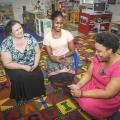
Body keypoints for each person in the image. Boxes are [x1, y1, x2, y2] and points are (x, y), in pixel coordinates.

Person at [68, 32, 120, 119]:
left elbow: (108, 93)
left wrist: (81, 94)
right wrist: (78, 86)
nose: (95, 53)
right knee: (74, 90)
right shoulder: (99, 56)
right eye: (95, 50)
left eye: (99, 51)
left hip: (107, 95)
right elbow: (89, 73)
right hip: (94, 85)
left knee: (86, 104)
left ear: (110, 51)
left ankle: (102, 116)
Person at [0, 20, 45, 103]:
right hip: (14, 65)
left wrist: (35, 64)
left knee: (38, 74)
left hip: (31, 63)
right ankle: (23, 96)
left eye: (20, 28)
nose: (20, 31)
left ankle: (35, 92)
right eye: (16, 30)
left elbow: (38, 52)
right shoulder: (6, 43)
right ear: (11, 33)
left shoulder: (29, 37)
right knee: (21, 76)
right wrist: (23, 66)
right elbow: (7, 63)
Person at [43, 11, 75, 90]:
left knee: (67, 77)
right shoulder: (47, 36)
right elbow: (50, 55)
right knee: (55, 81)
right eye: (57, 23)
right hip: (54, 59)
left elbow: (72, 51)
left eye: (61, 23)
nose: (59, 25)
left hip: (67, 57)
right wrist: (58, 60)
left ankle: (66, 81)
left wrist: (62, 57)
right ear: (52, 22)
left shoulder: (67, 34)